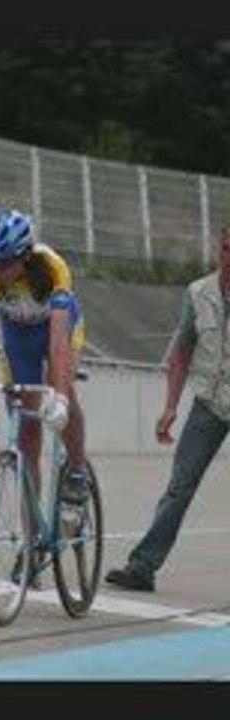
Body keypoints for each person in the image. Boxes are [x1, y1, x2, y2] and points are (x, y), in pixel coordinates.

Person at [0, 209, 90, 580]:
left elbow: (59, 343)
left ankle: (76, 471)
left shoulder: (52, 269)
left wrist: (57, 395)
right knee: (28, 435)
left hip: (58, 328)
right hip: (20, 336)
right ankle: (31, 546)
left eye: (6, 263)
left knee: (65, 395)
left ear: (25, 255)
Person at [106, 227, 230, 592]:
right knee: (179, 487)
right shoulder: (198, 293)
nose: (229, 255)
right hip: (208, 403)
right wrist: (170, 407)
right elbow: (181, 353)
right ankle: (142, 567)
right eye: (226, 247)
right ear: (218, 249)